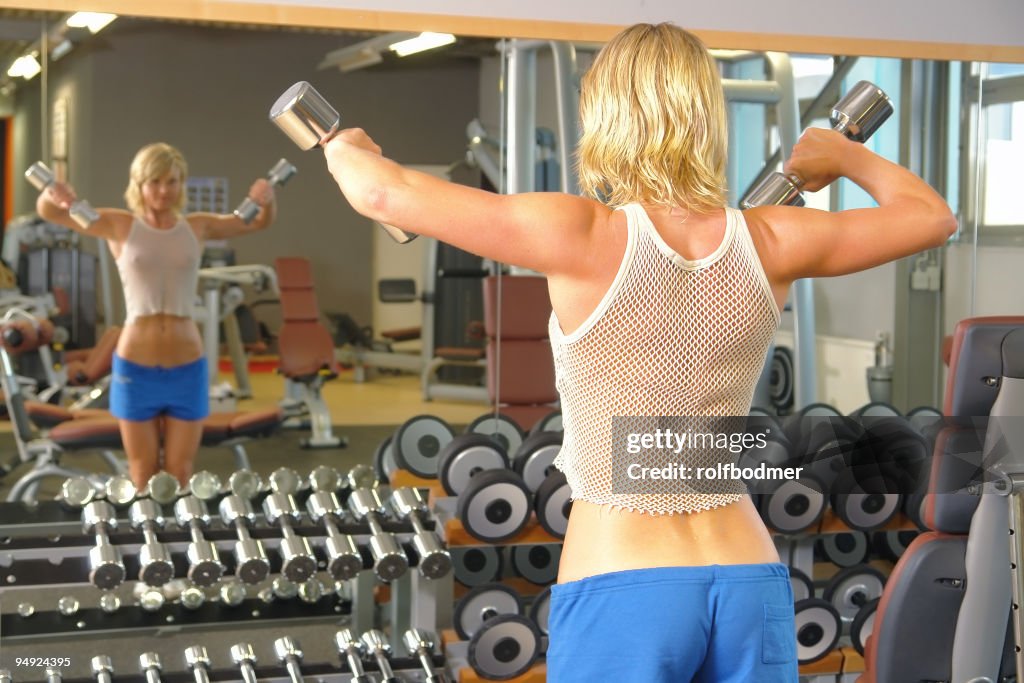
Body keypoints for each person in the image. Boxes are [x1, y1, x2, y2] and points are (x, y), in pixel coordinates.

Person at [320, 23, 956, 682]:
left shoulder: (580, 233)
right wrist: (841, 155)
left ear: (606, 116)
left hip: (627, 582)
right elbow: (932, 216)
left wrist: (342, 143)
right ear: (708, 116)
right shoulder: (774, 240)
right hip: (747, 576)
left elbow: (380, 192)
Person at [36, 142, 276, 490]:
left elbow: (252, 223)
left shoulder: (198, 226)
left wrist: (266, 200)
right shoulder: (119, 225)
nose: (163, 190)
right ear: (139, 184)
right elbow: (52, 213)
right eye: (155, 182)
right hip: (136, 369)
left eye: (172, 181)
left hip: (188, 368)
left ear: (182, 184)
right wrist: (53, 193)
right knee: (142, 474)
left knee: (179, 473)